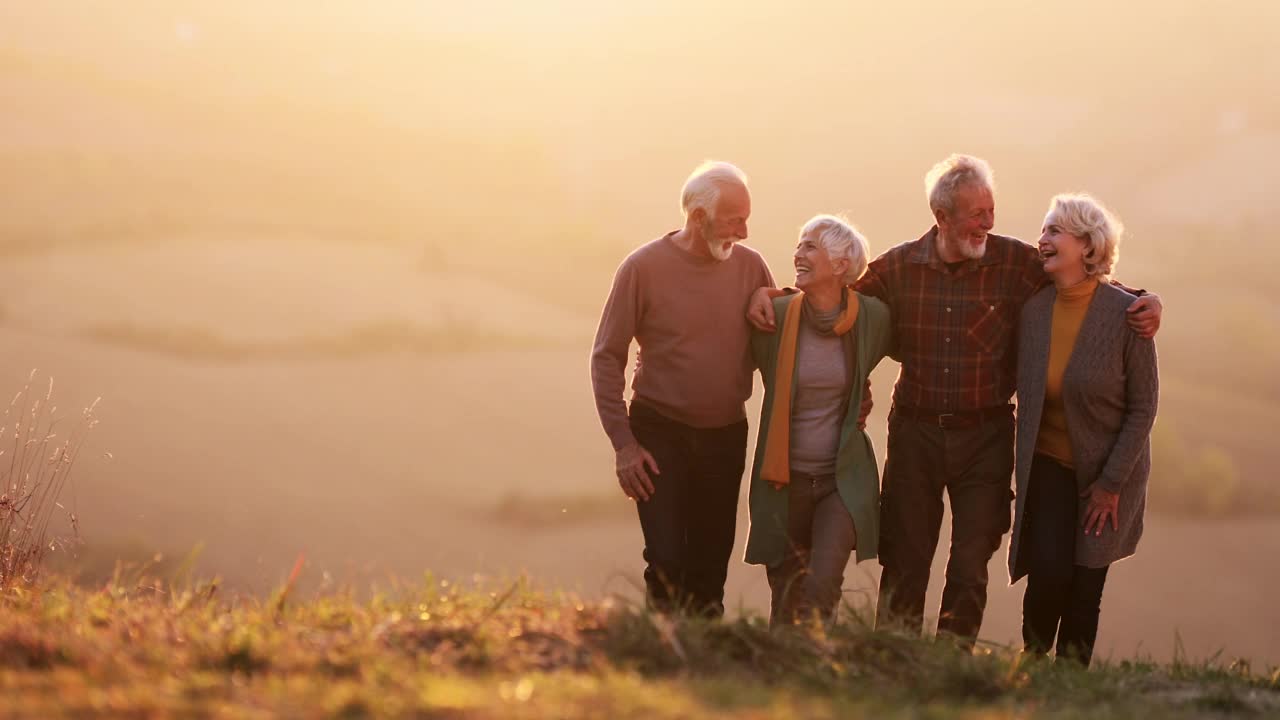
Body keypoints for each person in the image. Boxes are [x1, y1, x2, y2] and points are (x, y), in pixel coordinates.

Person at [747, 155, 1163, 648]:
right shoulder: (899, 267)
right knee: (906, 557)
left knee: (970, 563)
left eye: (991, 210)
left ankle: (951, 663)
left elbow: (1082, 282)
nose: (988, 222)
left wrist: (1141, 298)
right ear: (942, 217)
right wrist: (771, 295)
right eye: (975, 213)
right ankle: (896, 658)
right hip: (915, 432)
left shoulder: (1015, 263)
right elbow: (834, 301)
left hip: (985, 436)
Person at [590, 161, 774, 617]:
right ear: (697, 217)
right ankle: (664, 660)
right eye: (735, 220)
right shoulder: (641, 267)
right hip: (659, 433)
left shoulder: (752, 269)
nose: (746, 232)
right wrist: (624, 446)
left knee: (710, 566)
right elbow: (606, 356)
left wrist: (770, 295)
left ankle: (704, 671)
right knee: (667, 558)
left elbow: (787, 334)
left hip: (725, 434)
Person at [1008, 194, 1158, 666]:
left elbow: (1143, 406)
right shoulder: (1033, 313)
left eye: (1054, 231)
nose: (1042, 239)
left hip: (1110, 474)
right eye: (1043, 229)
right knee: (1048, 572)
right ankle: (1030, 667)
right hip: (1049, 466)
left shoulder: (1127, 315)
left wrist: (1110, 485)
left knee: (1084, 583)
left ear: (1087, 245)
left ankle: (1071, 684)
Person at [744, 215, 892, 626]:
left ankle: (818, 669)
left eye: (810, 246)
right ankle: (784, 679)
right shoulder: (772, 318)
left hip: (840, 481)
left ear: (841, 264)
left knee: (823, 584)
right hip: (783, 480)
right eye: (799, 244)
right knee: (786, 594)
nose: (798, 253)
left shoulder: (872, 319)